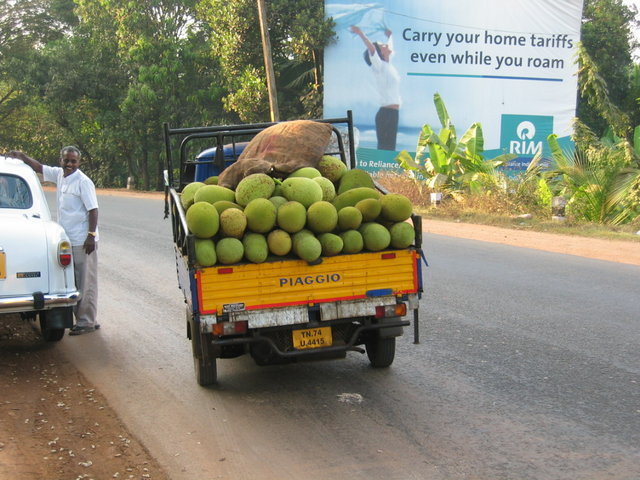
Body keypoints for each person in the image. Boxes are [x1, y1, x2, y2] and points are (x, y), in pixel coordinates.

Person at [9, 146, 100, 335]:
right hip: (69, 238)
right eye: (66, 160)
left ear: (79, 162)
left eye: (73, 161)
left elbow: (93, 210)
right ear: (61, 160)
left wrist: (91, 235)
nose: (69, 164)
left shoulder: (83, 182)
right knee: (73, 282)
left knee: (86, 282)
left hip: (82, 240)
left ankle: (87, 322)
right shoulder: (60, 175)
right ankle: (85, 318)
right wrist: (23, 156)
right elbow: (40, 167)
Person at [350, 25, 401, 151]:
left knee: (390, 149)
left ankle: (387, 171)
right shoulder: (379, 67)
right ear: (379, 53)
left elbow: (389, 47)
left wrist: (390, 37)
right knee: (385, 148)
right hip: (386, 114)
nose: (386, 45)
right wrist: (360, 33)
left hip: (393, 113)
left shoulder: (388, 65)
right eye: (382, 45)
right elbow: (372, 49)